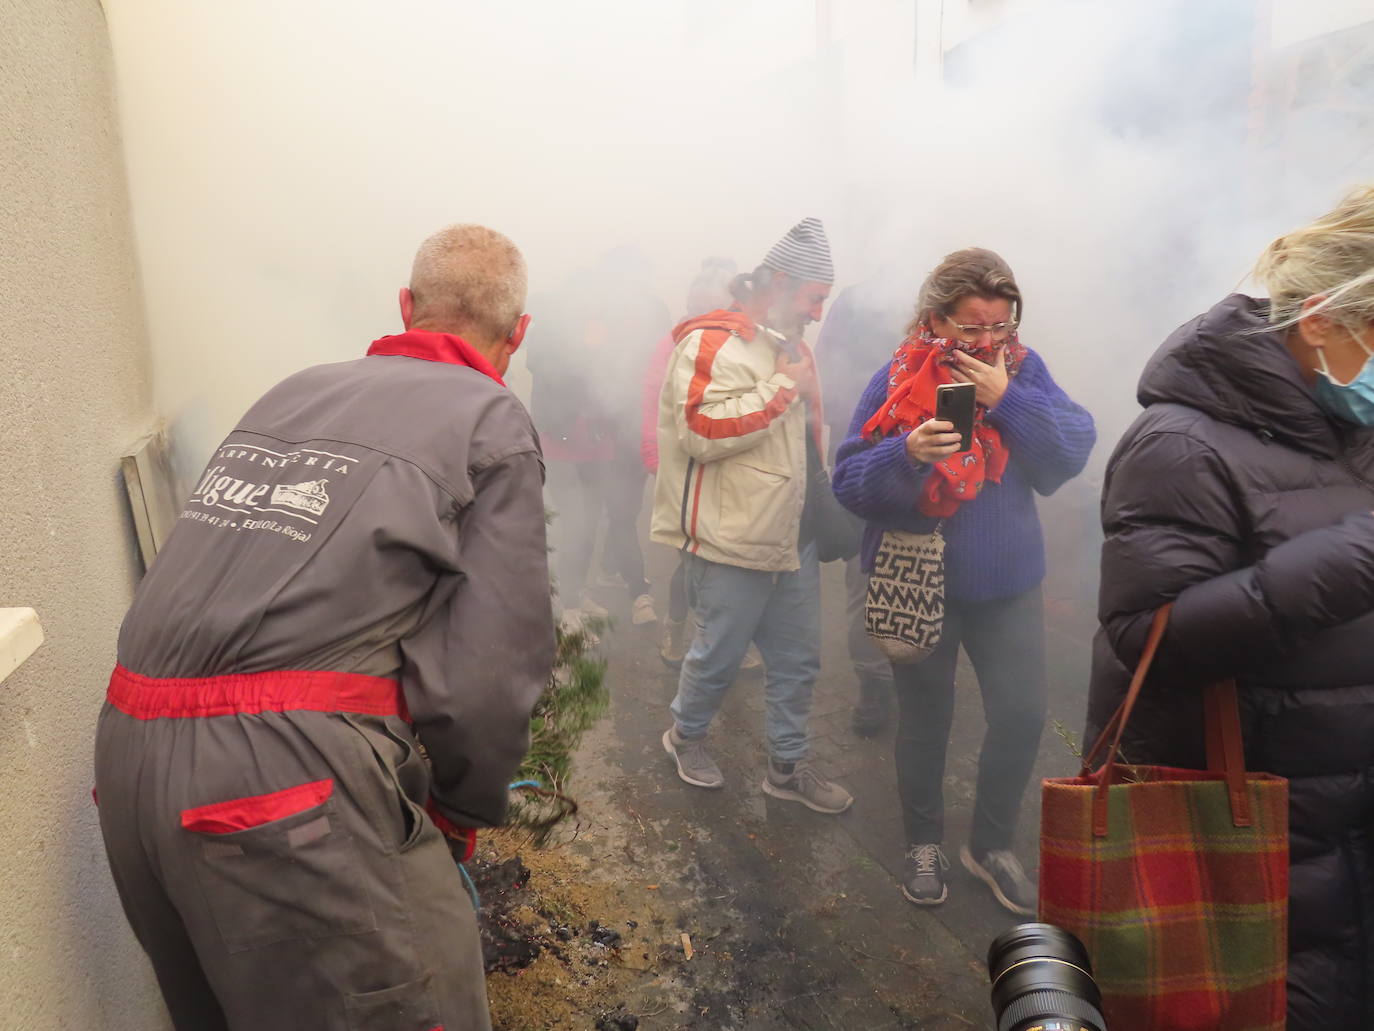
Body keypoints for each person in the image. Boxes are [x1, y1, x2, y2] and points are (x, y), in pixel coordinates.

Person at [93, 225, 556, 1030]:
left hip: (127, 762)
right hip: (281, 786)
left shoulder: (294, 390)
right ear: (518, 334)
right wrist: (455, 809)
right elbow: (489, 668)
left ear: (406, 308)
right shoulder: (489, 418)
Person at [1086, 185, 1374, 1031]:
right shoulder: (1181, 443)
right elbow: (1148, 636)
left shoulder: (1350, 429)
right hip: (1250, 854)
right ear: (1320, 320)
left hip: (1350, 827)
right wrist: (1355, 559)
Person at [833, 248, 1094, 914]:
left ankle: (991, 842)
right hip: (922, 579)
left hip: (1007, 580)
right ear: (935, 317)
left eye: (999, 328)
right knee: (925, 720)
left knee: (1021, 712)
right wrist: (908, 453)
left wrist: (1006, 399)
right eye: (972, 328)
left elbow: (1070, 448)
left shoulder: (1023, 370)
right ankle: (924, 842)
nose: (987, 343)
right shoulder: (895, 375)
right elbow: (848, 482)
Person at [652, 217, 852, 813]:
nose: (818, 313)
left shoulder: (793, 348)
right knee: (716, 658)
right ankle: (683, 736)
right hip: (729, 543)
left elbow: (801, 443)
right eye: (816, 298)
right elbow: (699, 431)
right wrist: (785, 390)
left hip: (795, 541)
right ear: (785, 283)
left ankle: (787, 769)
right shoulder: (710, 342)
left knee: (797, 663)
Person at [530, 253, 669, 630]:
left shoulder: (602, 326)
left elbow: (616, 376)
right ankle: (564, 607)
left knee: (590, 520)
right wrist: (584, 349)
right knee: (567, 519)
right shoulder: (550, 327)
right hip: (559, 432)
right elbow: (540, 366)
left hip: (596, 435)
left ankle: (576, 594)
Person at [815, 267, 922, 735]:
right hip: (864, 454)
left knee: (917, 574)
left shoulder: (939, 306)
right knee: (864, 573)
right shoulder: (855, 302)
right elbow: (827, 372)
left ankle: (909, 676)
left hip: (925, 466)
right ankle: (874, 684)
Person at [641, 257, 758, 673]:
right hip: (685, 466)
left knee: (729, 556)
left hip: (729, 464)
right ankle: (676, 630)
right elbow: (654, 399)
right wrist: (654, 456)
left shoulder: (744, 340)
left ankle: (730, 638)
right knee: (691, 558)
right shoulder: (675, 342)